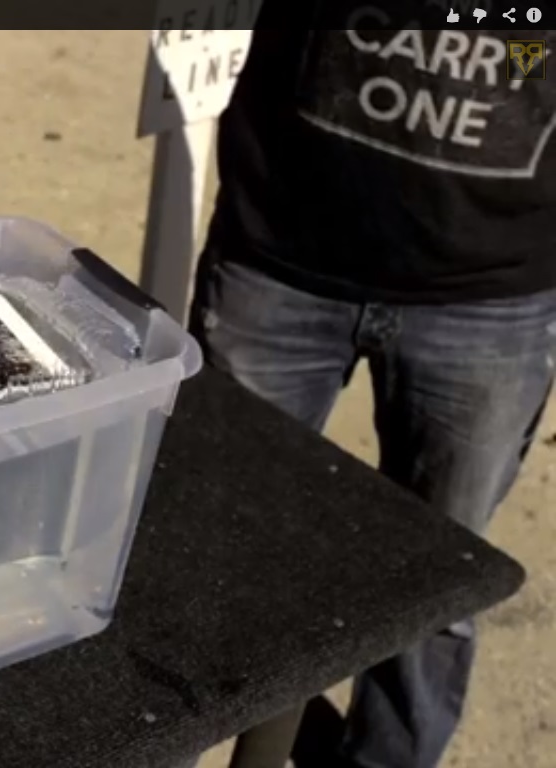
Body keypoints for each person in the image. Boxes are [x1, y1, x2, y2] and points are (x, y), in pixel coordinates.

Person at [185, 7, 556, 768]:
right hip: (279, 254)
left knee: (436, 585)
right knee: (210, 553)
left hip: (493, 297)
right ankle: (179, 733)